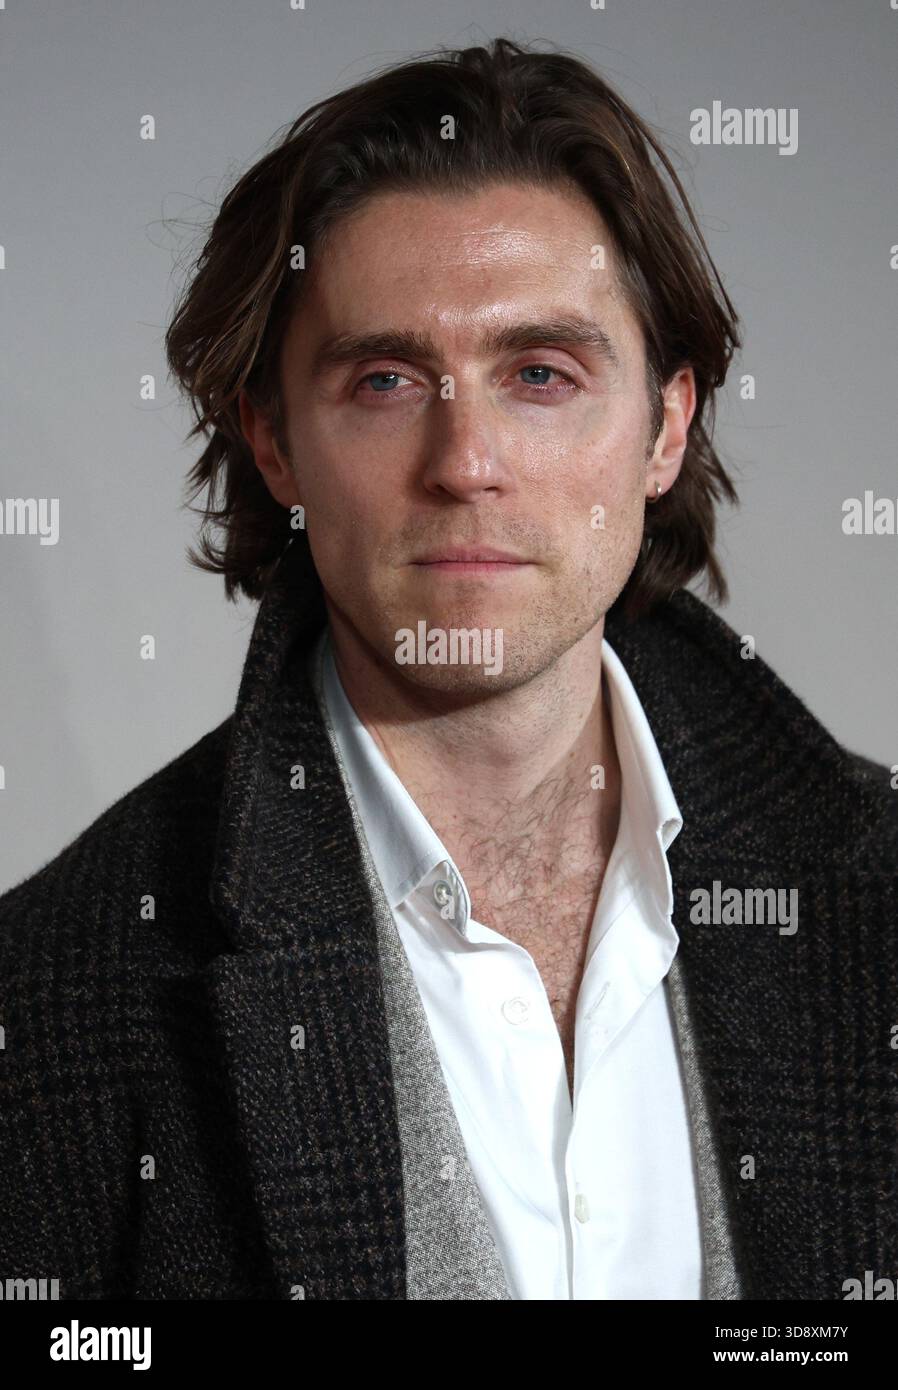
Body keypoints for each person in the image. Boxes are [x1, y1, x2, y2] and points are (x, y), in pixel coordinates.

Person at [0, 37, 895, 1302]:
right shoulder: (54, 1006)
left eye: (539, 374)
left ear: (665, 423)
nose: (464, 457)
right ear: (272, 441)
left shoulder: (872, 891)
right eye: (384, 379)